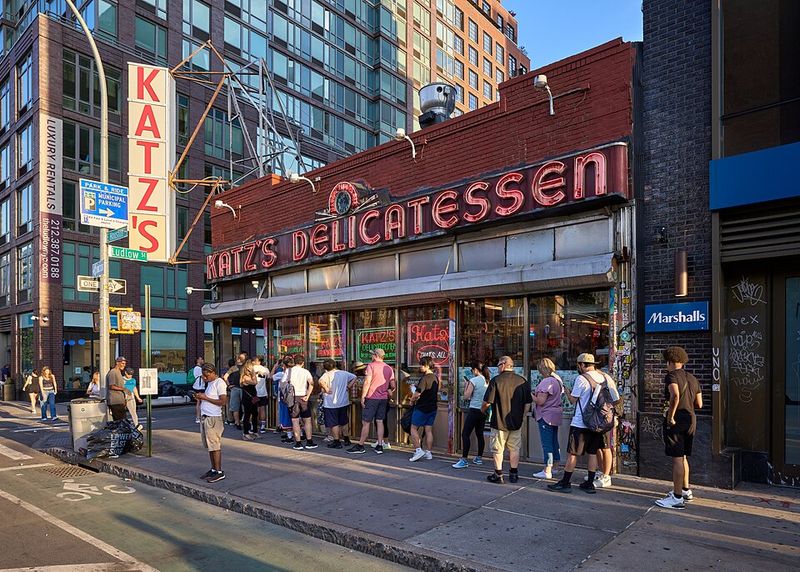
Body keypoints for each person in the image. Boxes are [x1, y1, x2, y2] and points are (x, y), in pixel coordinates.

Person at [547, 353, 620, 494]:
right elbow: (616, 399)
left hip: (581, 422)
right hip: (597, 423)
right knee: (592, 452)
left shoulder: (581, 379)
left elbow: (573, 400)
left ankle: (566, 482)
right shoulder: (605, 377)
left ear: (581, 365)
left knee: (573, 453)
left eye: (578, 365)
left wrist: (567, 392)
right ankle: (590, 483)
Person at [656, 346, 702, 509]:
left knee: (676, 458)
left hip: (676, 420)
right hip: (691, 419)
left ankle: (676, 498)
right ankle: (685, 490)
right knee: (683, 457)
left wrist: (671, 417)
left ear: (669, 361)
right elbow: (699, 403)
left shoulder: (671, 376)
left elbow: (674, 395)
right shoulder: (693, 378)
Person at [481, 356, 532, 483]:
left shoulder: (496, 381)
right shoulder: (522, 381)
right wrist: (523, 416)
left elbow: (487, 402)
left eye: (498, 365)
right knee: (514, 448)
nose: (497, 368)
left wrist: (482, 410)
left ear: (503, 365)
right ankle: (513, 473)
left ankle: (498, 475)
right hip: (516, 422)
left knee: (498, 449)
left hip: (499, 421)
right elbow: (527, 403)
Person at [348, 349, 395, 455]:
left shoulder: (371, 366)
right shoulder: (388, 368)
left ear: (376, 355)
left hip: (372, 397)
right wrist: (387, 391)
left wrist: (363, 396)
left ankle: (360, 445)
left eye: (372, 354)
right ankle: (379, 445)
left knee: (366, 422)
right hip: (383, 399)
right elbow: (393, 385)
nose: (371, 356)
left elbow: (367, 382)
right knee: (380, 421)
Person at [453, 361, 491, 468]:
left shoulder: (473, 380)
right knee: (480, 434)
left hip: (474, 409)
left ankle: (464, 459)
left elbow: (466, 396)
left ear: (475, 370)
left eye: (471, 370)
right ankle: (479, 457)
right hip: (483, 410)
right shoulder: (487, 380)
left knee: (465, 433)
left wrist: (466, 386)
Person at [532, 358, 564, 479]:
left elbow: (540, 401)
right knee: (554, 442)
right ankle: (555, 466)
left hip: (545, 415)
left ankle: (547, 469)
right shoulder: (557, 380)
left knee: (547, 444)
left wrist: (530, 395)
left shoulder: (546, 382)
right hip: (555, 414)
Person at [195, 363, 228, 483]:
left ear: (213, 373)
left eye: (206, 375)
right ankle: (213, 469)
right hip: (206, 418)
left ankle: (219, 471)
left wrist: (205, 398)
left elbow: (223, 401)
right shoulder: (210, 383)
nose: (204, 378)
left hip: (214, 418)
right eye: (203, 376)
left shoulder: (219, 383)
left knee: (215, 445)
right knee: (210, 446)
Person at [318, 359, 357, 449]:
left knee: (334, 423)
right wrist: (349, 386)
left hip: (330, 403)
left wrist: (326, 389)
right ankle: (346, 439)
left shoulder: (326, 374)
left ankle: (337, 441)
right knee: (344, 421)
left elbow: (320, 381)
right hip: (343, 401)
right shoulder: (344, 373)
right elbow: (354, 377)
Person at [409, 356, 439, 462]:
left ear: (426, 365)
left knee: (413, 428)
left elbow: (417, 394)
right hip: (432, 407)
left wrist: (411, 400)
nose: (420, 367)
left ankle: (418, 450)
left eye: (422, 365)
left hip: (422, 407)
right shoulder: (435, 378)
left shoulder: (425, 378)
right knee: (428, 430)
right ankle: (428, 452)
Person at [288, 355, 317, 450]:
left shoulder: (289, 371)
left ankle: (298, 442)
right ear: (303, 363)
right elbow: (311, 383)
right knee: (307, 420)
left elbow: (282, 383)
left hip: (292, 397)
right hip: (303, 397)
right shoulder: (306, 372)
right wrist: (307, 395)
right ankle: (309, 441)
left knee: (295, 420)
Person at [239, 359, 259, 440]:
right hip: (247, 398)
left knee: (255, 414)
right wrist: (254, 373)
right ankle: (246, 433)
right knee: (247, 415)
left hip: (253, 397)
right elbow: (255, 382)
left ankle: (254, 431)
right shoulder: (245, 377)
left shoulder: (250, 376)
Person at [106, 356, 130, 422]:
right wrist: (123, 389)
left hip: (120, 401)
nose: (124, 365)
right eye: (122, 363)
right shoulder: (113, 372)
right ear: (117, 363)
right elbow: (111, 386)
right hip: (115, 401)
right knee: (120, 422)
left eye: (125, 364)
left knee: (122, 421)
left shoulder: (118, 372)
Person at [253, 355, 270, 434]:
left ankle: (254, 426)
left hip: (254, 392)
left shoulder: (253, 368)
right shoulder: (265, 369)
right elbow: (269, 378)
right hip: (263, 392)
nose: (253, 361)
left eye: (254, 360)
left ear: (259, 361)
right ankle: (263, 426)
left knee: (253, 410)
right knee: (262, 409)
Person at [224, 358, 242, 428]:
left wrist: (228, 385)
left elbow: (225, 377)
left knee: (235, 407)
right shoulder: (242, 368)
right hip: (242, 388)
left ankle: (237, 422)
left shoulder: (233, 368)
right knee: (243, 406)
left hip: (234, 388)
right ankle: (241, 421)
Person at [192, 357, 205, 424]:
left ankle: (198, 417)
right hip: (200, 387)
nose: (203, 360)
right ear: (197, 360)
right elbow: (203, 378)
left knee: (199, 402)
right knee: (200, 402)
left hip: (196, 386)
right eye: (201, 359)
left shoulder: (196, 368)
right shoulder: (198, 369)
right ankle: (199, 417)